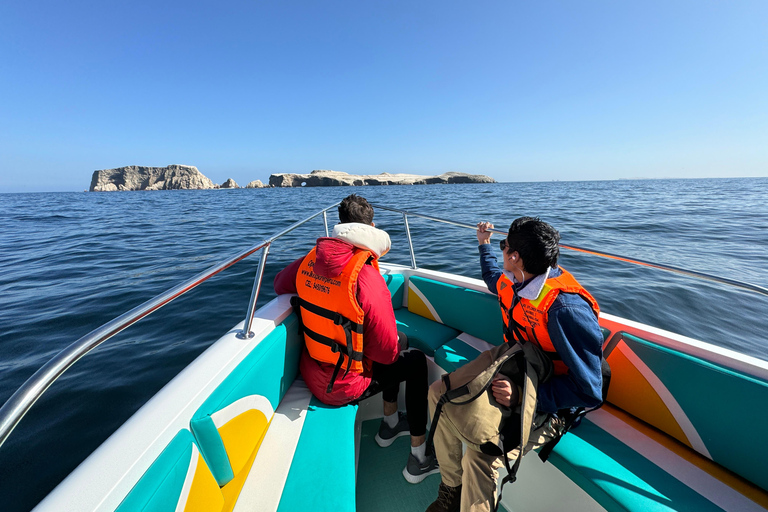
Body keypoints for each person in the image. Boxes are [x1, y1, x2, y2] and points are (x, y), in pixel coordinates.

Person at [426, 217, 604, 512]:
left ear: (515, 257)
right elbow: (490, 274)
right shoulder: (517, 280)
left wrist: (523, 397)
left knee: (480, 457)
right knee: (437, 393)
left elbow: (589, 391)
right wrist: (484, 245)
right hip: (512, 362)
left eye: (503, 245)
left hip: (550, 400)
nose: (501, 250)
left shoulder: (566, 310)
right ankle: (452, 491)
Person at [274, 194, 438, 483]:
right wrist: (397, 340)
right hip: (344, 387)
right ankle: (419, 458)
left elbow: (279, 284)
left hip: (312, 371)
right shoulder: (365, 275)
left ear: (340, 227)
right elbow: (387, 355)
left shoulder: (309, 261)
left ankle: (390, 424)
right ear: (372, 227)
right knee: (412, 361)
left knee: (387, 354)